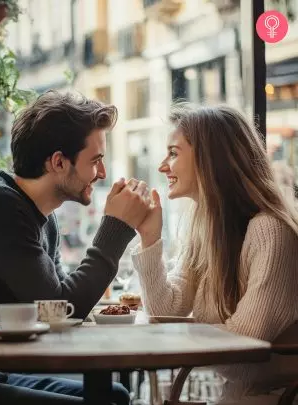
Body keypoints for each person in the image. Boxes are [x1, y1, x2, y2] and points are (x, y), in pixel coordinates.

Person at [0, 91, 151, 405]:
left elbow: (56, 310)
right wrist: (115, 227)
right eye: (96, 160)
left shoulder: (40, 217)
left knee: (115, 395)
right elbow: (61, 306)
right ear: (59, 162)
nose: (102, 173)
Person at [131, 103, 298, 405]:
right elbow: (165, 310)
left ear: (211, 159)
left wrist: (177, 334)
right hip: (239, 397)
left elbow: (240, 347)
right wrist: (150, 237)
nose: (162, 165)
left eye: (173, 152)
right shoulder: (206, 229)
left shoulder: (269, 231)